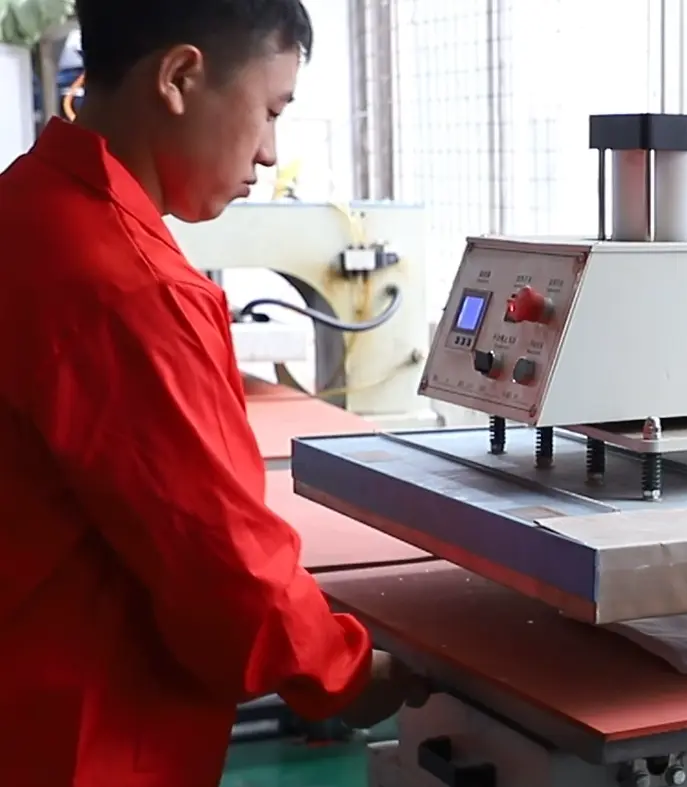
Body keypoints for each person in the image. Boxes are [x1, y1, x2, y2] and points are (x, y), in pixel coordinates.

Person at [0, 1, 414, 784]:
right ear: (181, 77)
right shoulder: (128, 284)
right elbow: (226, 566)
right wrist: (350, 674)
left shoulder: (23, 205)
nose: (268, 151)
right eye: (269, 110)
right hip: (79, 742)